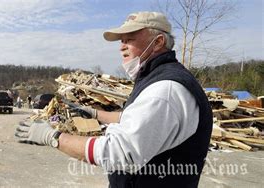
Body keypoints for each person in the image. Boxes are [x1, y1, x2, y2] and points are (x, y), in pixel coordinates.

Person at [15, 11, 212, 188]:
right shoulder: (155, 78)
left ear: (158, 42)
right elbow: (133, 120)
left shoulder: (165, 90)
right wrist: (94, 114)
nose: (122, 47)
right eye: (121, 40)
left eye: (130, 39)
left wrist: (54, 138)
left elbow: (120, 154)